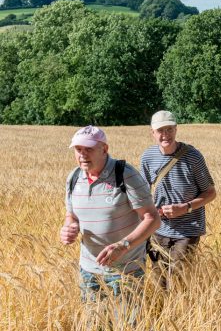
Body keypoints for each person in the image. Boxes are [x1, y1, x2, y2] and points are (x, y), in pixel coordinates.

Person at [60, 125, 160, 302]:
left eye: (89, 149)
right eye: (78, 149)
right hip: (89, 270)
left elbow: (152, 219)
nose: (82, 154)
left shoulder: (125, 175)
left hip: (126, 270)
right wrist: (70, 227)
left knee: (128, 326)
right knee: (93, 326)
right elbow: (72, 216)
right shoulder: (74, 178)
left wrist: (123, 245)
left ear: (104, 149)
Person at [140, 110, 217, 289]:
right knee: (159, 280)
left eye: (169, 129)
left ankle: (180, 313)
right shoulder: (147, 157)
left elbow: (211, 192)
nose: (165, 135)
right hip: (158, 228)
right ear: (152, 133)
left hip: (188, 230)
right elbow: (142, 193)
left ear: (176, 129)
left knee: (177, 280)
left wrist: (186, 207)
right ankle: (163, 314)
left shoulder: (193, 157)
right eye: (160, 131)